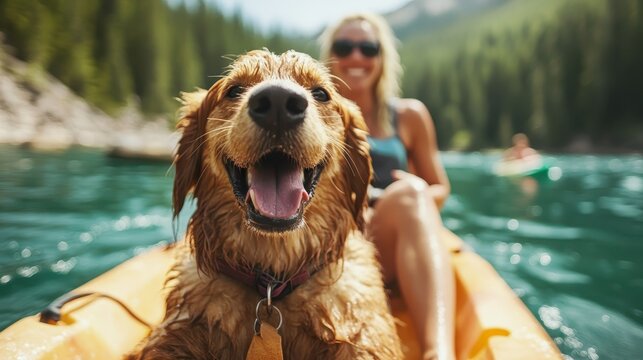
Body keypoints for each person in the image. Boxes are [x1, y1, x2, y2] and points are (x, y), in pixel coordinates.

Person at [319, 13, 455, 360]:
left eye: (368, 48)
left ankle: (437, 353)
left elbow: (440, 187)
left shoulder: (409, 116)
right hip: (334, 245)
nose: (356, 57)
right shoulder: (312, 117)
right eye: (344, 47)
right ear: (330, 54)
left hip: (391, 237)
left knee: (412, 193)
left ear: (382, 58)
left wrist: (418, 192)